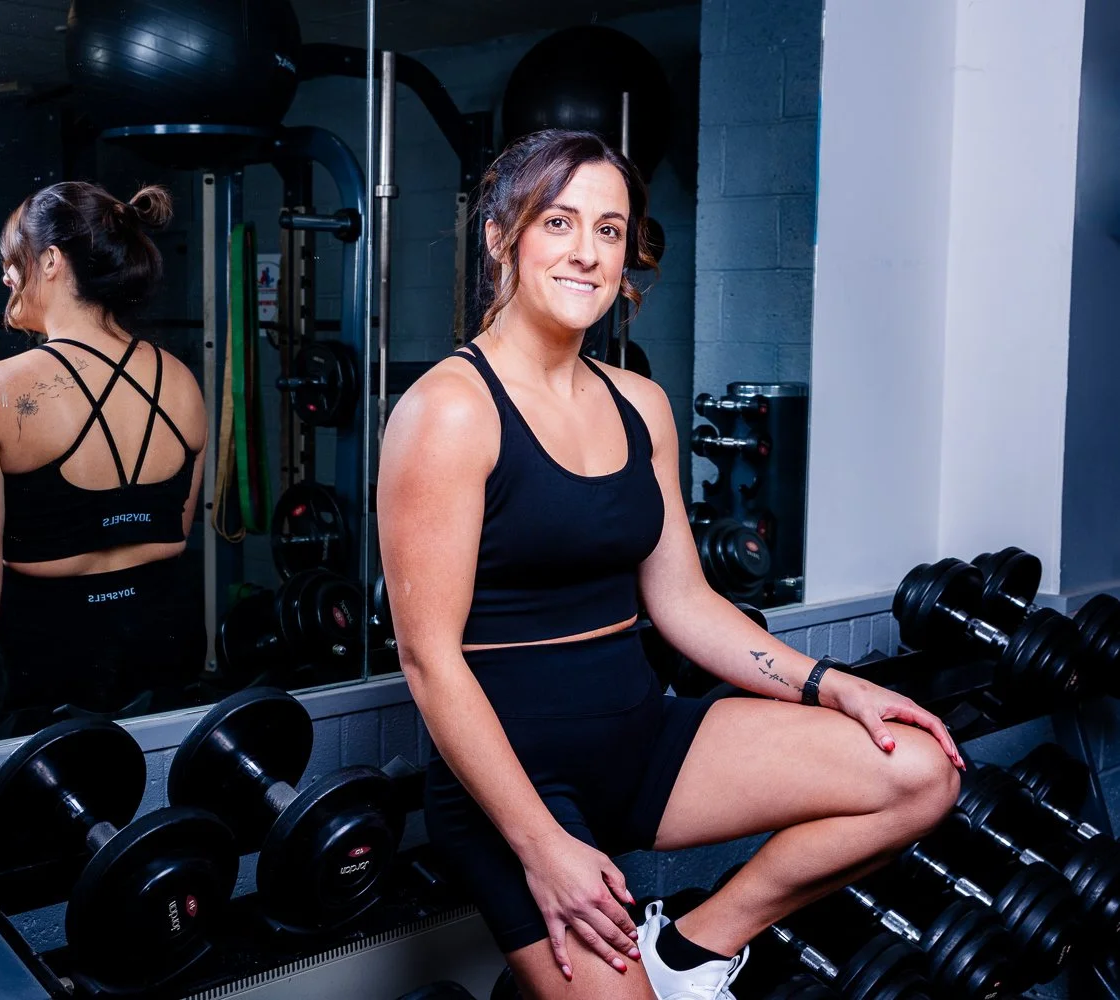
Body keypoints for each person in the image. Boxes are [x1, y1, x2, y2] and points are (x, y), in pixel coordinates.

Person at [376, 130, 963, 1000]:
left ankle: (689, 951)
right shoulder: (450, 412)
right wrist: (542, 846)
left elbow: (685, 601)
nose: (587, 252)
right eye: (559, 222)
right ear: (499, 237)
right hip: (517, 789)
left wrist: (828, 683)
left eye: (609, 231)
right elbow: (429, 660)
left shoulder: (639, 403)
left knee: (920, 772)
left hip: (646, 744)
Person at [0, 181, 207, 716]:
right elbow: (174, 529)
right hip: (168, 644)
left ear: (51, 261)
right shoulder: (181, 380)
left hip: (51, 662)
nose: (5, 277)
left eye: (13, 261)